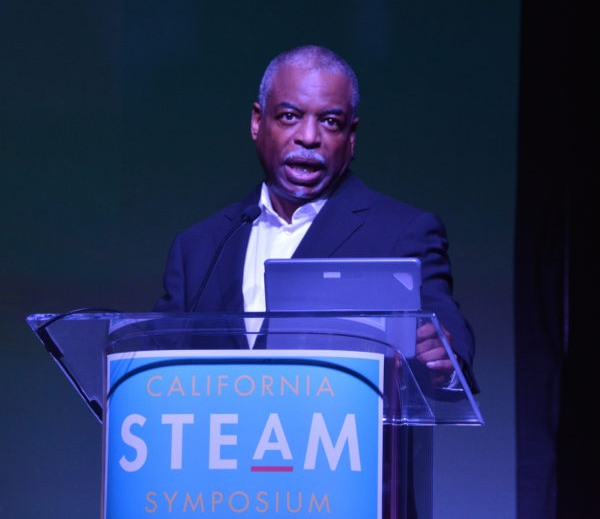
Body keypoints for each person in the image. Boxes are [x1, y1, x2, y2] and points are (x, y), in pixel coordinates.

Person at [154, 45, 477, 390]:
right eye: (290, 116)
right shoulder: (200, 247)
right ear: (257, 122)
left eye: (330, 122)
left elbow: (445, 331)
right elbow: (153, 366)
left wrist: (443, 355)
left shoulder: (402, 233)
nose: (308, 137)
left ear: (350, 138)